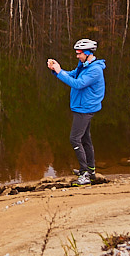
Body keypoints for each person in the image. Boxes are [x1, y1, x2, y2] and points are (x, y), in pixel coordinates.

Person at [46, 38, 106, 186]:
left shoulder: (95, 70)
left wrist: (60, 72)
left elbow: (78, 84)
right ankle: (90, 170)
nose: (77, 56)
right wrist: (56, 70)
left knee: (74, 139)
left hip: (85, 109)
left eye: (79, 53)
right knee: (85, 139)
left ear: (87, 53)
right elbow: (72, 75)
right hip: (82, 107)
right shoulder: (85, 65)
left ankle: (84, 173)